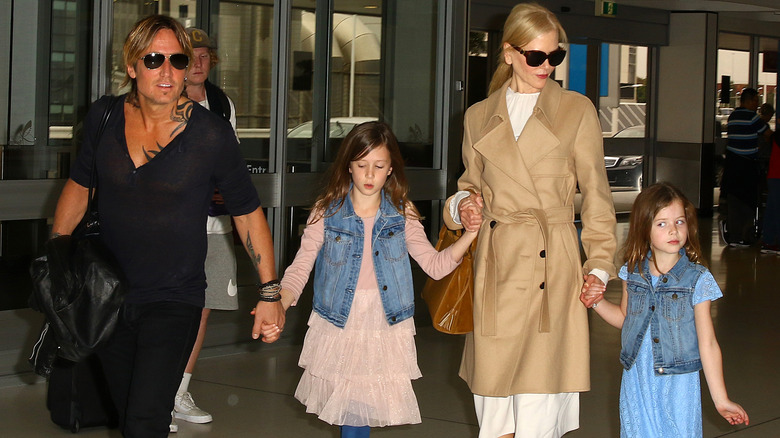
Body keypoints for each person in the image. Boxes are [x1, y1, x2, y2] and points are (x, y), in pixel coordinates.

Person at [50, 15, 283, 437]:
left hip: (174, 298)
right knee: (128, 415)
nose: (168, 71)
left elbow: (247, 211)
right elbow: (80, 185)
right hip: (108, 295)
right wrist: (58, 252)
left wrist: (270, 291)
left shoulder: (210, 135)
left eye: (177, 60)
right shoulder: (104, 118)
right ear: (133, 65)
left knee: (146, 419)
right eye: (154, 59)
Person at [441, 4, 618, 437]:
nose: (546, 66)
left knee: (539, 410)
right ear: (508, 54)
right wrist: (462, 204)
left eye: (554, 57)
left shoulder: (576, 111)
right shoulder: (478, 116)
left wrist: (598, 266)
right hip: (497, 270)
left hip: (551, 267)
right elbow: (469, 184)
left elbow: (597, 195)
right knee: (494, 405)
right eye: (535, 57)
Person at [259, 121, 478, 438]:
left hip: (383, 323)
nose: (370, 175)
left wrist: (470, 234)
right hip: (339, 321)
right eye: (362, 165)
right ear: (348, 166)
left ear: (391, 170)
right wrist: (279, 302)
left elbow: (435, 265)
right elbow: (300, 266)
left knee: (358, 410)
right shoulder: (327, 211)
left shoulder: (402, 213)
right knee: (352, 410)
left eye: (379, 166)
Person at [580, 182, 749, 436]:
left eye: (679, 222)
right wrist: (597, 303)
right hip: (637, 379)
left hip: (678, 382)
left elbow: (708, 343)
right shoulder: (633, 272)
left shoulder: (696, 279)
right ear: (644, 229)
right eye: (662, 223)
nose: (674, 230)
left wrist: (721, 399)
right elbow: (626, 319)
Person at [170, 26, 238, 427]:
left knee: (203, 308)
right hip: (173, 227)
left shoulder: (222, 103)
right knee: (167, 308)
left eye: (204, 55)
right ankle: (155, 393)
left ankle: (179, 391)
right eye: (188, 55)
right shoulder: (164, 99)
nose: (197, 62)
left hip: (216, 226)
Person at [720, 88, 772, 247]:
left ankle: (734, 236)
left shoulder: (733, 116)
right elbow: (768, 135)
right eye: (756, 101)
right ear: (748, 101)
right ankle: (745, 235)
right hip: (746, 165)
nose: (757, 105)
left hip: (732, 163)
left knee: (734, 201)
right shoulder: (752, 117)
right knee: (748, 201)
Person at [761, 132, 780, 254]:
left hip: (774, 176)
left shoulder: (775, 136)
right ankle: (773, 241)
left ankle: (769, 241)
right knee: (775, 209)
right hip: (777, 176)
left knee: (773, 209)